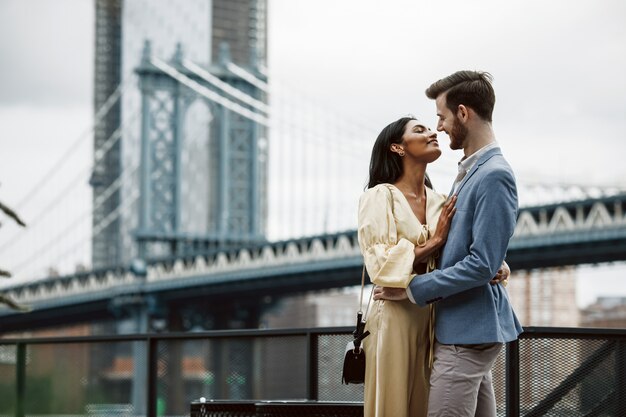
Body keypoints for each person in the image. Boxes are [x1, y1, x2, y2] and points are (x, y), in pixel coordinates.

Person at [374, 71, 523, 417]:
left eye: (441, 117)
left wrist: (413, 288)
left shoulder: (493, 174)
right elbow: (483, 252)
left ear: (463, 113)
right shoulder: (472, 172)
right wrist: (495, 262)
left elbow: (480, 262)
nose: (438, 127)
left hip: (465, 334)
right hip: (467, 329)